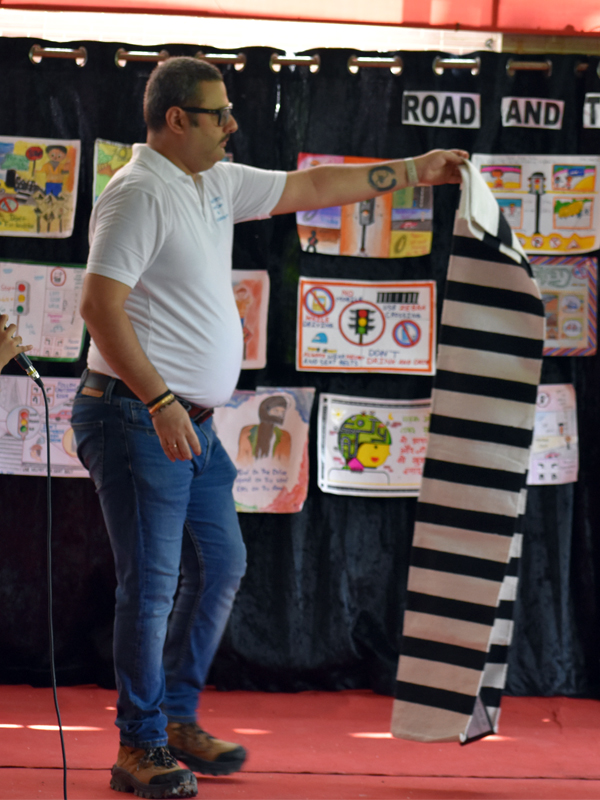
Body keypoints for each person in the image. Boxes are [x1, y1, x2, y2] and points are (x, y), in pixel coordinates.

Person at [71, 55, 468, 799]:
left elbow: (312, 188)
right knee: (151, 589)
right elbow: (98, 307)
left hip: (187, 422)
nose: (233, 124)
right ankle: (139, 745)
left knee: (221, 566)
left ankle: (173, 719)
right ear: (177, 119)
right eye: (218, 113)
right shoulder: (138, 192)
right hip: (136, 416)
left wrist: (419, 170)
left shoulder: (212, 181)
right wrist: (159, 401)